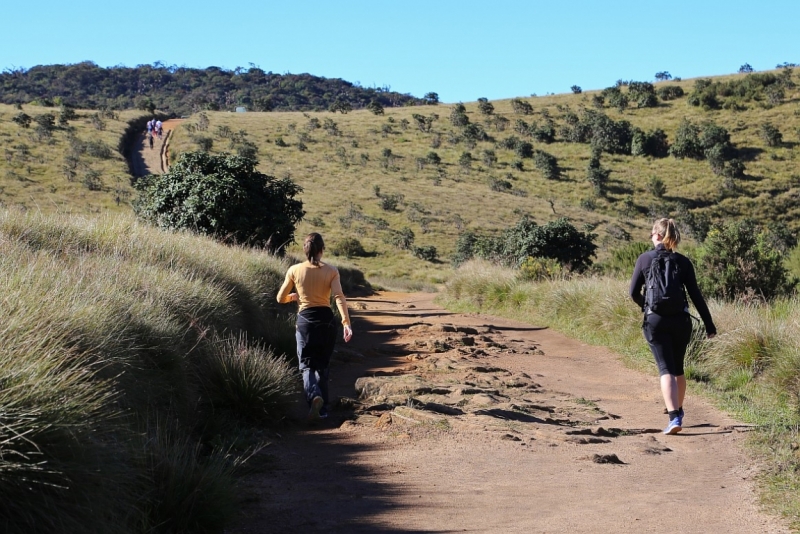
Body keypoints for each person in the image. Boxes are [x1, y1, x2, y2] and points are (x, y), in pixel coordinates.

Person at [629, 218, 716, 435]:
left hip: (655, 321)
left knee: (665, 369)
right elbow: (695, 295)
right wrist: (709, 324)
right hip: (681, 321)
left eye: (651, 234)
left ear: (657, 236)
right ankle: (678, 409)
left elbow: (632, 293)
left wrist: (647, 306)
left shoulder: (644, 259)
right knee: (678, 368)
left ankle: (673, 416)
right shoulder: (684, 262)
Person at [277, 233, 353, 421]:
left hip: (305, 322)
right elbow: (338, 297)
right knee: (322, 366)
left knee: (306, 366)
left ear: (305, 250)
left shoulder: (294, 270)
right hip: (327, 321)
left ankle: (313, 397)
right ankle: (324, 410)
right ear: (321, 250)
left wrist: (292, 297)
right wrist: (346, 323)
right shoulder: (332, 270)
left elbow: (280, 298)